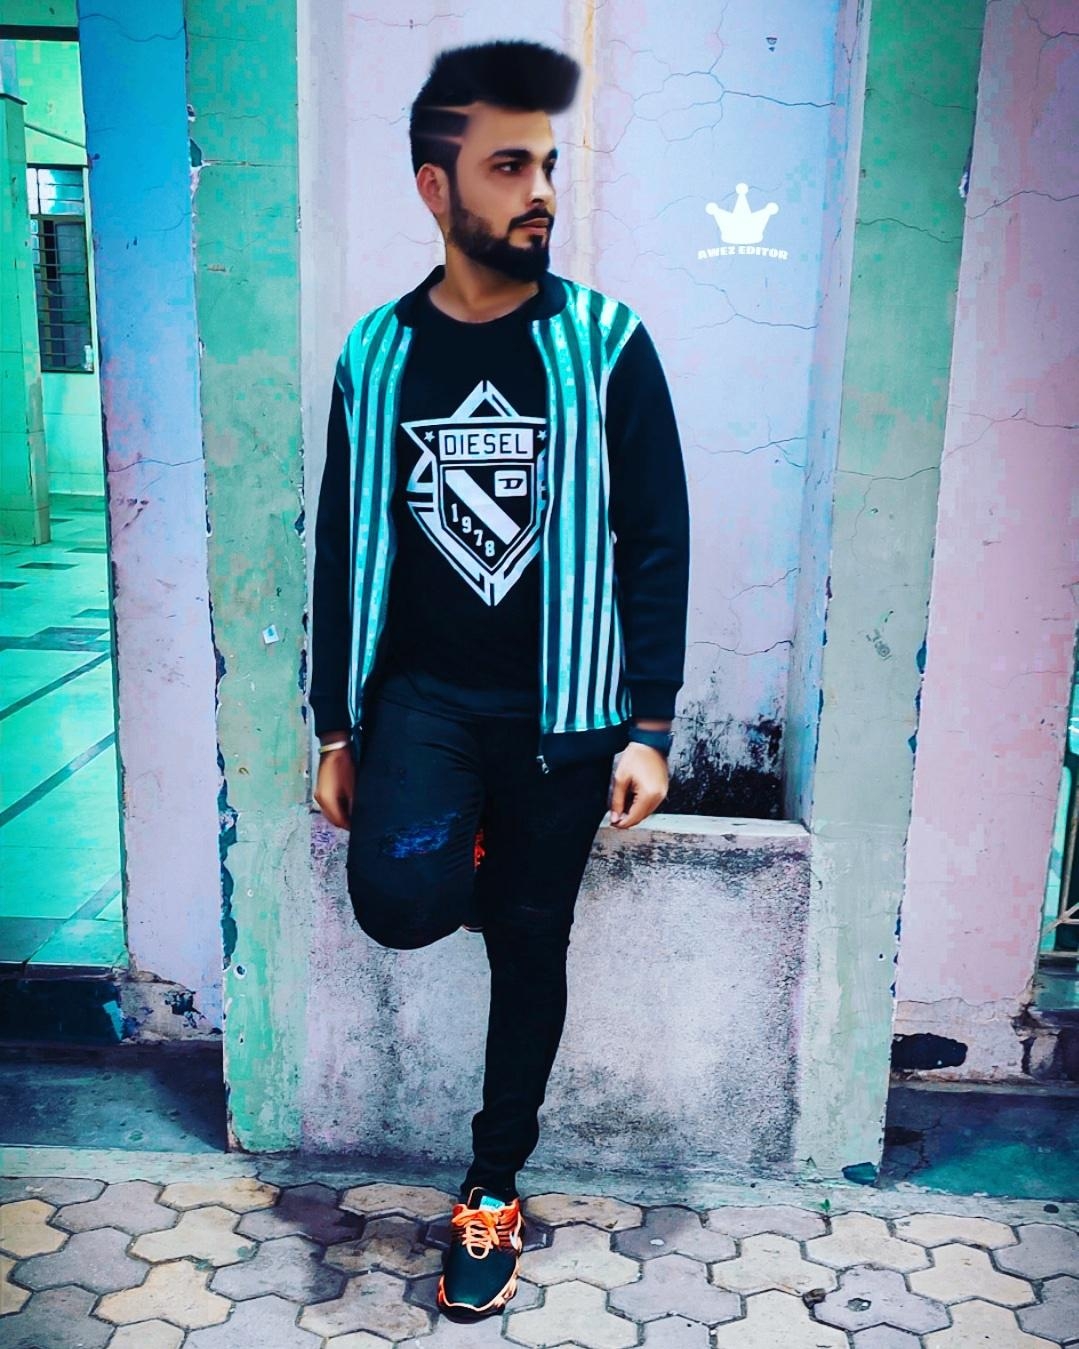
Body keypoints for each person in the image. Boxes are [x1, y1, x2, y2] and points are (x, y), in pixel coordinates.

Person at [308, 38, 690, 1324]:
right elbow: (341, 542)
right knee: (397, 902)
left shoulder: (604, 341)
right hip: (421, 699)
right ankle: (490, 862)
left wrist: (648, 724)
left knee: (530, 944)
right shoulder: (375, 354)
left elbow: (655, 536)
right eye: (507, 166)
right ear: (435, 187)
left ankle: (491, 1183)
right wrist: (334, 725)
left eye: (546, 166)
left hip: (565, 714)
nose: (538, 192)